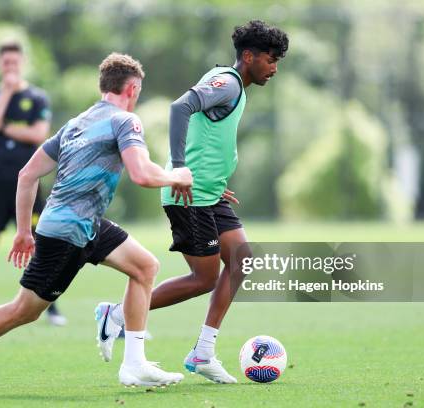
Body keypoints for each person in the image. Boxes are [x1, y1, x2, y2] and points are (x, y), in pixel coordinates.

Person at [0, 53, 192, 387]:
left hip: (84, 223)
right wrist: (178, 175)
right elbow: (141, 173)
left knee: (145, 267)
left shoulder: (76, 123)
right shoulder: (125, 121)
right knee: (25, 310)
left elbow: (27, 175)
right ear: (133, 88)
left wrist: (23, 232)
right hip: (68, 231)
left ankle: (133, 361)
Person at [96, 20, 289, 383]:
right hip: (190, 196)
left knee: (241, 260)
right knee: (204, 279)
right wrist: (182, 169)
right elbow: (179, 108)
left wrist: (214, 179)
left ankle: (203, 352)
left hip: (209, 194)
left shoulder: (238, 87)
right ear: (248, 56)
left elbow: (209, 137)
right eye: (270, 59)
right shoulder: (227, 82)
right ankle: (117, 315)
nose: (274, 67)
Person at [0, 42, 67, 327]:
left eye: (14, 63)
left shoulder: (38, 98)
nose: (10, 68)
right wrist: (6, 93)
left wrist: (5, 127)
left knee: (42, 243)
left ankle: (50, 305)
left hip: (28, 183)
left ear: (23, 63)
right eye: (6, 63)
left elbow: (38, 134)